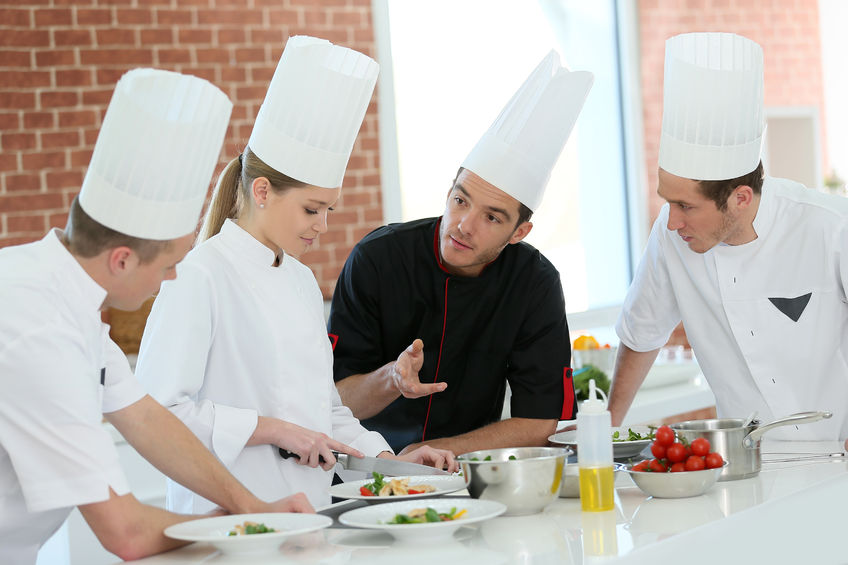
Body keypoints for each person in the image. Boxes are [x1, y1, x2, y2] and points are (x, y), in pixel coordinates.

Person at [0, 69, 313, 565]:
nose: (171, 280)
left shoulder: (64, 296)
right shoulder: (39, 330)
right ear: (122, 259)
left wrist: (249, 504)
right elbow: (126, 534)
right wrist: (244, 525)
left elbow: (146, 418)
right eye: (168, 265)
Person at [135, 36, 456, 512]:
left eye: (329, 208)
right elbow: (158, 415)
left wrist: (396, 463)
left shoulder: (302, 283)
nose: (323, 226)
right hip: (225, 524)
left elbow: (325, 413)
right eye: (312, 208)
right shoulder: (199, 276)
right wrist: (272, 428)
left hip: (308, 516)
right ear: (262, 190)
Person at [328, 51, 594, 454]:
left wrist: (442, 451)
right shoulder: (377, 259)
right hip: (367, 472)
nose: (464, 225)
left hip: (471, 473)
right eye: (460, 200)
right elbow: (334, 402)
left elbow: (543, 421)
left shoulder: (534, 282)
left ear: (520, 231)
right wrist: (392, 380)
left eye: (491, 217)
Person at [608, 32, 848, 442]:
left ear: (739, 198)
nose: (671, 222)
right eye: (668, 203)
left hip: (837, 464)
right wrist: (605, 427)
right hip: (745, 469)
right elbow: (641, 332)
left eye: (686, 206)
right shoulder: (670, 240)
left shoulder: (829, 227)